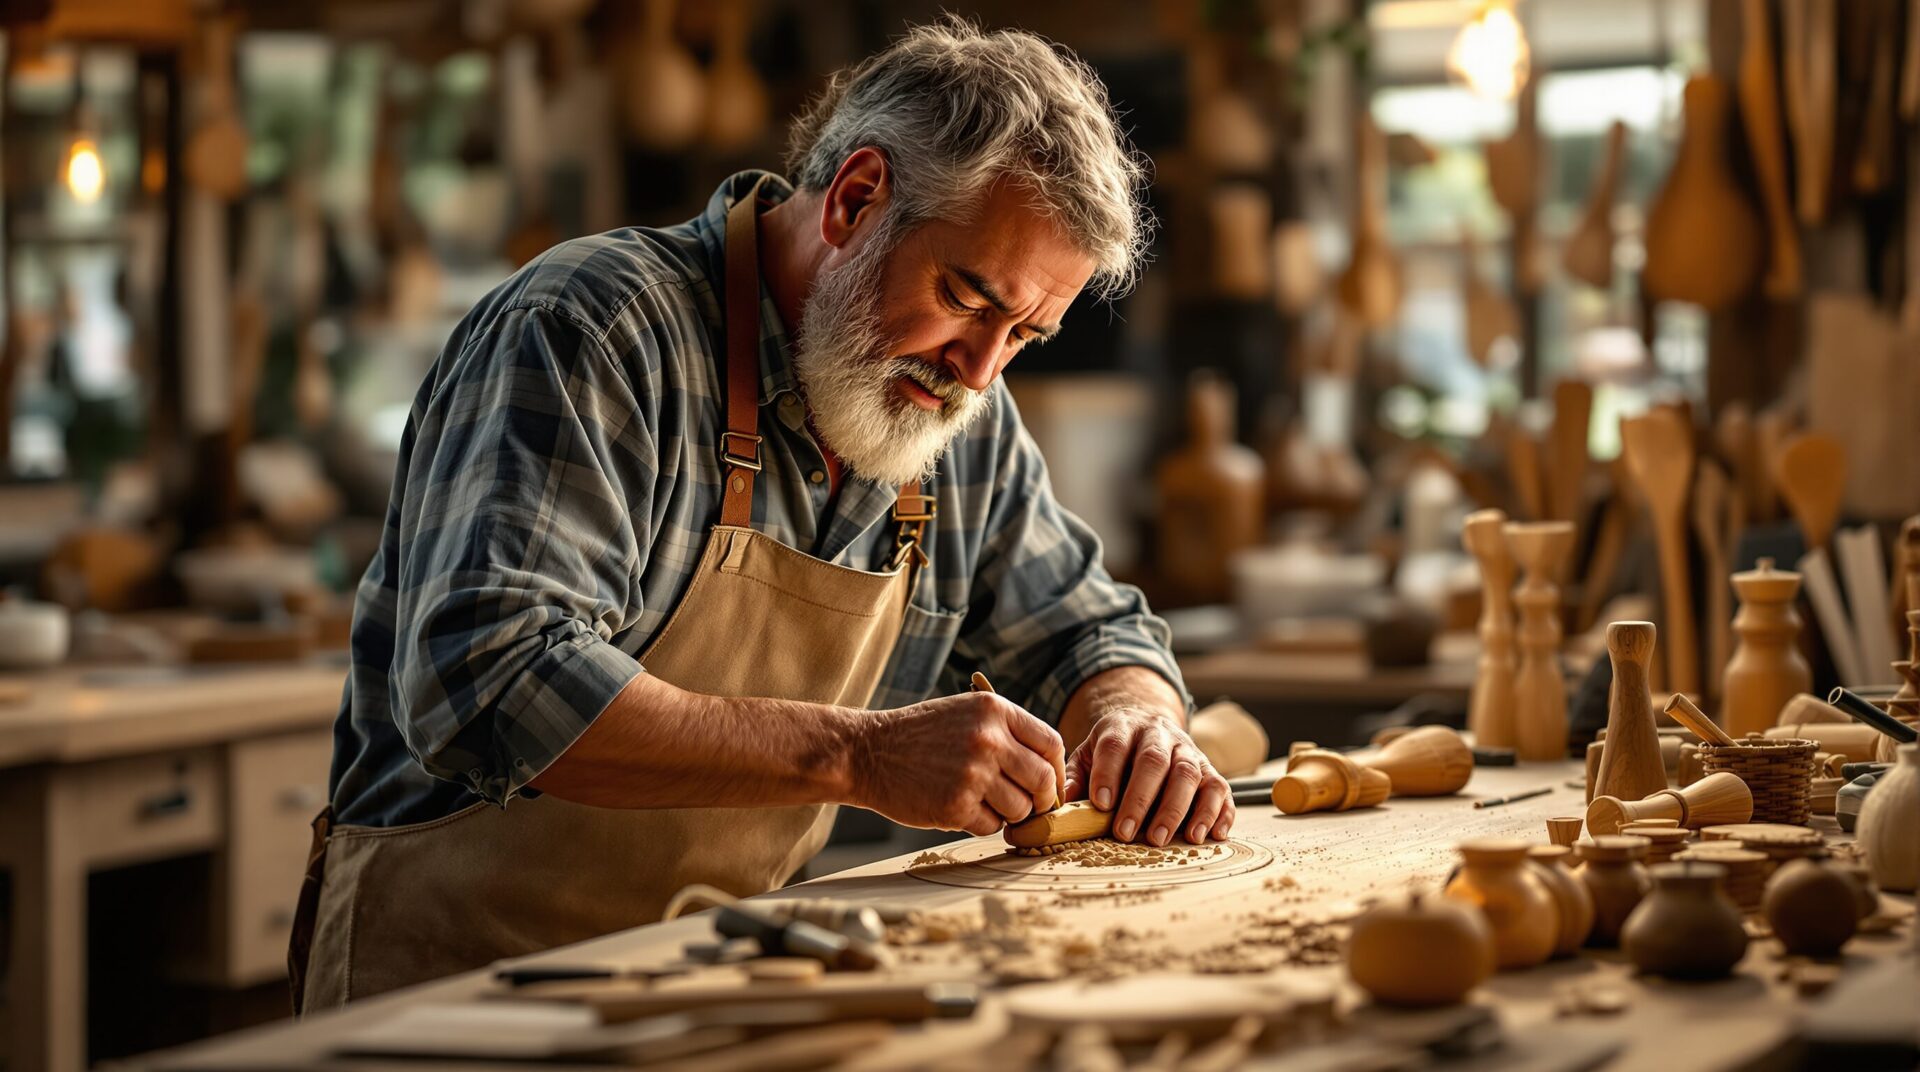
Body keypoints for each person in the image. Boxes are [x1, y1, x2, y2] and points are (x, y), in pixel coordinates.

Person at [291, 19, 1233, 1011]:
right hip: (458, 993)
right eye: (966, 298)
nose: (980, 371)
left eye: (1025, 336)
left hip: (723, 980)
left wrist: (1138, 722)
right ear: (857, 199)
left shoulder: (954, 415)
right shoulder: (594, 331)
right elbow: (489, 676)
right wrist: (860, 755)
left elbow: (1089, 633)